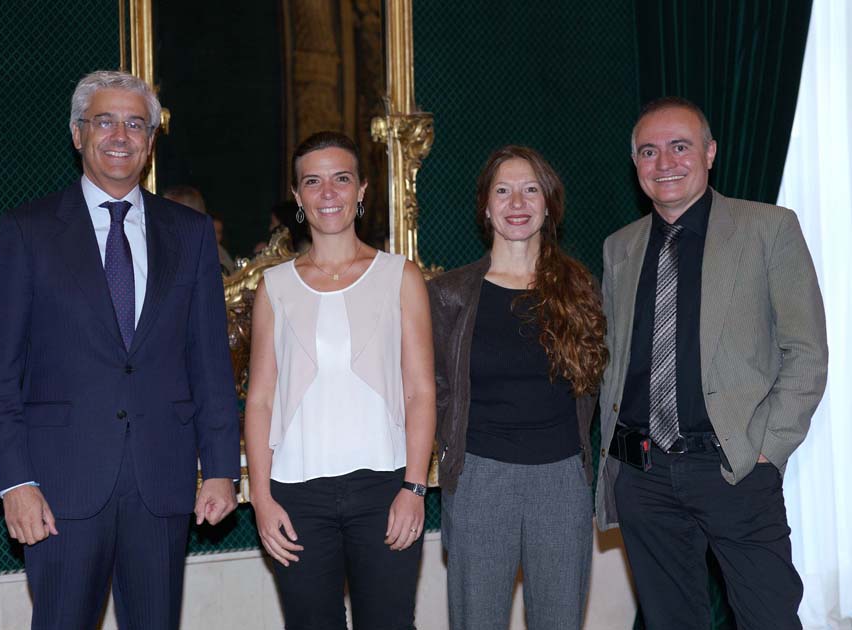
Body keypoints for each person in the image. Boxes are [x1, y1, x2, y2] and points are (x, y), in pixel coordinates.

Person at [0, 70, 240, 630]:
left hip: (161, 484)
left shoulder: (189, 234)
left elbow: (210, 363)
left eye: (135, 123)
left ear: (150, 139)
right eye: (105, 121)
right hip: (58, 489)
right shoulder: (27, 230)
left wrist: (220, 469)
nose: (121, 134)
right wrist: (15, 484)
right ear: (78, 134)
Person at [595, 97, 828, 629]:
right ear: (636, 164)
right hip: (642, 474)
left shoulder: (768, 228)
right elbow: (613, 359)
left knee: (769, 618)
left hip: (735, 469)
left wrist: (766, 451)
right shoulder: (619, 248)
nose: (666, 163)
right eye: (649, 152)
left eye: (680, 147)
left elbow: (807, 351)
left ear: (710, 152)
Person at [244, 131, 435, 629]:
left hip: (385, 488)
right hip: (296, 495)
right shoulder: (274, 286)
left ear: (362, 190)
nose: (328, 192)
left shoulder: (401, 276)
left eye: (341, 178)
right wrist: (261, 500)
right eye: (313, 181)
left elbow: (420, 391)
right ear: (299, 198)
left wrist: (414, 488)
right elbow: (260, 400)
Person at [428, 146, 608, 629]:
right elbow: (435, 388)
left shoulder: (580, 288)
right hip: (479, 480)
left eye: (531, 190)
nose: (517, 202)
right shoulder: (449, 293)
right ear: (485, 207)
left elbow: (594, 384)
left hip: (562, 479)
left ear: (548, 204)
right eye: (503, 191)